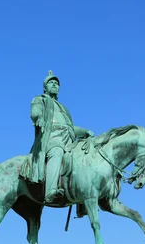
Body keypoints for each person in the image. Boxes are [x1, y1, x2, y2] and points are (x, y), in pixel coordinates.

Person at [20, 71, 93, 203]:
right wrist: (38, 117)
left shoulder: (63, 108)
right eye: (51, 83)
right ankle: (50, 190)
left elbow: (70, 128)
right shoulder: (40, 99)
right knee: (57, 151)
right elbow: (35, 112)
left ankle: (82, 201)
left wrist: (85, 131)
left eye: (57, 84)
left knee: (83, 158)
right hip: (50, 139)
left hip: (68, 140)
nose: (55, 85)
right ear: (45, 87)